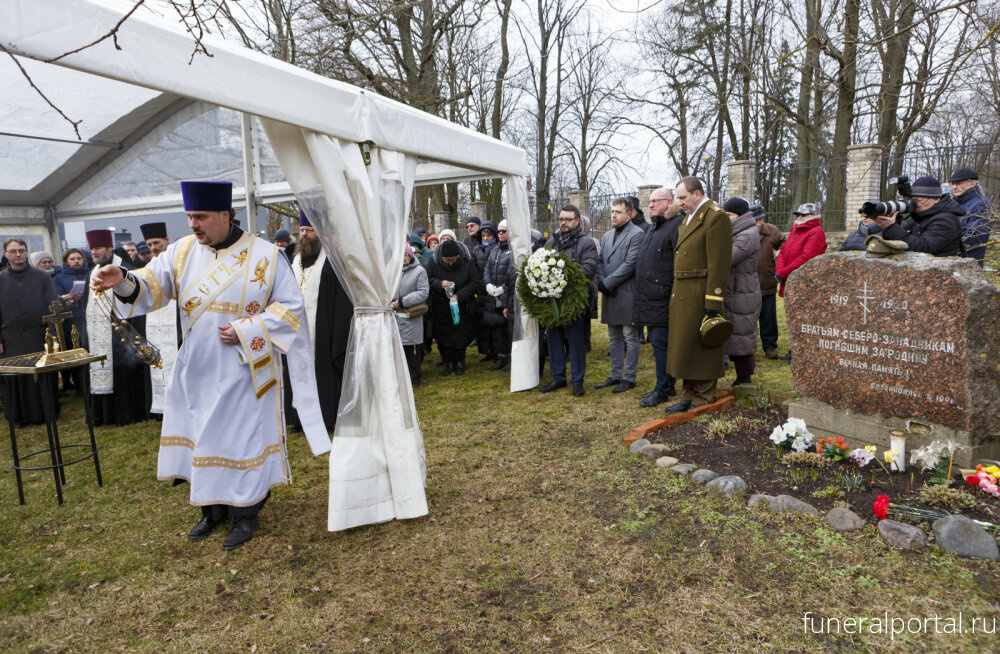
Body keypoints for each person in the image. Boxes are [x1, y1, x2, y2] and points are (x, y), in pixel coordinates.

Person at [90, 180, 328, 550]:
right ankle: (211, 509)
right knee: (203, 437)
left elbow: (291, 309)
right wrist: (121, 279)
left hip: (244, 368)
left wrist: (250, 328)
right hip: (197, 368)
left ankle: (246, 514)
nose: (193, 225)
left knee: (239, 439)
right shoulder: (181, 252)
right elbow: (150, 287)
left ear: (225, 215)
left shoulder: (266, 255)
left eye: (200, 217)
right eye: (189, 217)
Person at [664, 177, 733, 413]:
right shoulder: (689, 218)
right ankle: (688, 393)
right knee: (685, 345)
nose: (679, 202)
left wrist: (713, 300)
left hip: (700, 291)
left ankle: (703, 395)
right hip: (683, 291)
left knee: (702, 343)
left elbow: (719, 263)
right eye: (678, 197)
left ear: (697, 193)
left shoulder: (715, 217)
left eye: (682, 197)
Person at [284, 210, 353, 431]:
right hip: (295, 332)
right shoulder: (294, 262)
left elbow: (343, 303)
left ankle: (324, 418)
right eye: (302, 230)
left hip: (323, 332)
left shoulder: (331, 263)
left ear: (321, 233)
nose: (304, 235)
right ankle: (299, 418)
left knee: (322, 374)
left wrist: (337, 334)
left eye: (309, 231)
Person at [84, 228, 150, 426]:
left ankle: (125, 414)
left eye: (98, 248)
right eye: (92, 249)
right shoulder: (93, 271)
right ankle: (103, 415)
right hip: (99, 332)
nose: (94, 252)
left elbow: (135, 302)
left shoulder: (126, 269)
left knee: (123, 369)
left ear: (109, 248)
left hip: (121, 331)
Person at [540, 204, 599, 396]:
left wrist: (560, 278)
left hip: (575, 300)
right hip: (553, 300)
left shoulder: (586, 243)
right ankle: (558, 377)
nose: (563, 223)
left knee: (575, 341)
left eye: (567, 219)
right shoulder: (551, 243)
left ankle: (577, 380)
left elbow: (588, 270)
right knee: (554, 338)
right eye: (561, 219)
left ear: (577, 221)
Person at [0, 237, 60, 425]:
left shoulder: (42, 277)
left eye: (22, 250)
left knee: (40, 376)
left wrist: (52, 336)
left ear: (27, 252)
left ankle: (45, 413)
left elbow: (53, 306)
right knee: (16, 377)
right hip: (10, 336)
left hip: (39, 335)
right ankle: (19, 416)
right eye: (13, 251)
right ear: (5, 254)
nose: (18, 254)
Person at [633, 187, 683, 407]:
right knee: (658, 343)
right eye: (650, 201)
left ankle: (662, 389)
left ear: (669, 201)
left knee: (661, 345)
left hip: (663, 297)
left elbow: (677, 263)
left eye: (655, 201)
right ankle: (667, 385)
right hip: (651, 297)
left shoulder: (675, 225)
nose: (650, 204)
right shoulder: (657, 225)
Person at [595, 197, 645, 393]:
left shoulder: (637, 234)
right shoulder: (607, 235)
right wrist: (601, 281)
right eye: (612, 211)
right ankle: (615, 374)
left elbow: (630, 264)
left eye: (618, 212)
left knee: (630, 336)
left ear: (630, 214)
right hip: (610, 293)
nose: (613, 215)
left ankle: (629, 377)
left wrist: (607, 283)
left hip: (627, 293)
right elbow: (599, 261)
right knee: (614, 336)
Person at [774, 203, 827, 361]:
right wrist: (779, 270)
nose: (799, 218)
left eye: (803, 215)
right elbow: (783, 252)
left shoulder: (816, 232)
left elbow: (807, 257)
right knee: (793, 316)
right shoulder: (795, 229)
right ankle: (794, 349)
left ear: (813, 216)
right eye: (798, 215)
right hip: (789, 278)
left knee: (805, 317)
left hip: (804, 281)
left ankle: (802, 351)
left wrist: (783, 272)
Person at [137, 223, 179, 417]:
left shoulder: (179, 262)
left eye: (156, 242)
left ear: (166, 240)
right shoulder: (148, 268)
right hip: (156, 327)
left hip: (177, 325)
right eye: (149, 244)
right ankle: (161, 407)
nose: (153, 247)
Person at [721, 197, 761, 386]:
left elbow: (727, 258)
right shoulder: (739, 231)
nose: (726, 219)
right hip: (736, 289)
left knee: (742, 333)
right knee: (736, 333)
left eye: (728, 215)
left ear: (738, 215)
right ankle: (741, 375)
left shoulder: (747, 235)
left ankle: (744, 377)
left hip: (742, 291)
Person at [426, 239, 479, 376]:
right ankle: (448, 361)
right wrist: (440, 283)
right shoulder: (433, 262)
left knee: (462, 332)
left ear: (458, 256)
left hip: (462, 304)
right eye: (446, 260)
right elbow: (428, 279)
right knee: (444, 333)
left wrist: (459, 296)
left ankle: (460, 361)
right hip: (441, 304)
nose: (450, 262)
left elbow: (474, 282)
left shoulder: (467, 261)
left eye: (453, 260)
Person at [874, 177, 962, 257]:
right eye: (913, 200)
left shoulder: (946, 220)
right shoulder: (918, 216)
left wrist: (891, 228)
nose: (914, 204)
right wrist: (891, 223)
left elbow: (924, 248)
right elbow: (898, 241)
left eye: (918, 201)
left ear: (936, 199)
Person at [394, 243, 430, 386]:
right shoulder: (393, 270)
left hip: (411, 315)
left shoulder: (419, 271)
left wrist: (403, 301)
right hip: (395, 314)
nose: (402, 258)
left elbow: (423, 292)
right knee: (399, 347)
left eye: (405, 255)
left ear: (410, 255)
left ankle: (414, 379)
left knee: (412, 347)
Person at [483, 220, 516, 372]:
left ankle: (511, 357)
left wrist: (503, 289)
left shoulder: (514, 250)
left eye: (504, 231)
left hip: (506, 295)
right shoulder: (494, 250)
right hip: (493, 295)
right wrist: (488, 284)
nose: (501, 233)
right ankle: (500, 356)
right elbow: (487, 269)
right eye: (499, 231)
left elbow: (514, 273)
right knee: (496, 328)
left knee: (508, 329)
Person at [751, 205, 784, 359]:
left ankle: (770, 346)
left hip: (767, 281)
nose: (758, 223)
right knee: (748, 317)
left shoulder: (773, 231)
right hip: (748, 284)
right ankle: (748, 347)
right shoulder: (741, 232)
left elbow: (784, 245)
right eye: (755, 220)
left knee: (768, 317)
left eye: (760, 219)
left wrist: (780, 252)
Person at [949, 167, 992, 266]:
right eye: (953, 184)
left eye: (958, 183)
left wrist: (946, 250)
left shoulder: (982, 204)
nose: (954, 187)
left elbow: (974, 238)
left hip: (968, 262)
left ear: (973, 184)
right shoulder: (953, 202)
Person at [471, 221, 499, 362]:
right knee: (483, 323)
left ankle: (497, 351)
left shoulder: (496, 249)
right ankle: (487, 350)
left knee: (494, 323)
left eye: (489, 235)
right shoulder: (477, 249)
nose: (486, 238)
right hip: (481, 289)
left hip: (493, 289)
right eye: (484, 236)